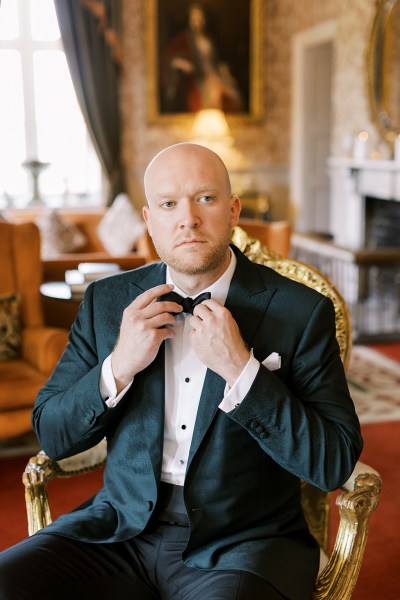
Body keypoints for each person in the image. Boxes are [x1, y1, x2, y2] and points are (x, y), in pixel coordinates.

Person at [0, 143, 363, 600]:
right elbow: (53, 434)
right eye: (169, 203)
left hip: (242, 542)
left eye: (205, 198)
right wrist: (119, 365)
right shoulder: (106, 302)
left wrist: (242, 371)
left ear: (233, 211)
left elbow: (333, 463)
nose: (187, 218)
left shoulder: (301, 311)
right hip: (120, 528)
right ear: (150, 221)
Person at [161, 3, 243, 113]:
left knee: (235, 97)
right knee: (211, 100)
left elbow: (216, 62)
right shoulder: (184, 40)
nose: (196, 22)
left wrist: (224, 72)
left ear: (204, 19)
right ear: (189, 20)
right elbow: (169, 57)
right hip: (199, 78)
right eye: (193, 18)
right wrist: (179, 62)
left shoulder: (209, 40)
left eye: (199, 18)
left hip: (214, 75)